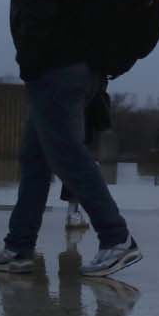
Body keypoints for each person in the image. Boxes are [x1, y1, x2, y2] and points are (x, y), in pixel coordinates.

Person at [0, 0, 140, 277]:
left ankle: (116, 237)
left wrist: (30, 64)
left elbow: (34, 17)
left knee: (67, 155)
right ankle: (18, 245)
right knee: (38, 158)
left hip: (55, 68)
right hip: (84, 68)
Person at [61, 82, 112, 230]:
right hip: (81, 129)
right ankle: (73, 213)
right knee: (78, 169)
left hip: (60, 125)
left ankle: (73, 212)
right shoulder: (90, 79)